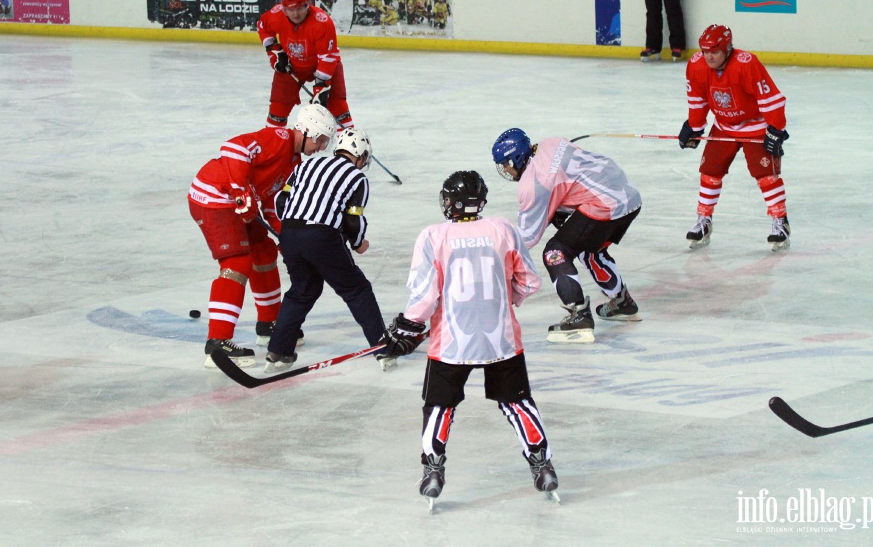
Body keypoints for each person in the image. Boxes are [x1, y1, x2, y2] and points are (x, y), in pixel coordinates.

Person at [377, 170, 558, 509]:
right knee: (518, 402)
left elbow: (424, 297)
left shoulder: (433, 236)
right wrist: (506, 301)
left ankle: (433, 470)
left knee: (439, 406)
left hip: (451, 343)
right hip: (501, 339)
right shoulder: (503, 229)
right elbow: (530, 282)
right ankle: (542, 465)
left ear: (450, 202)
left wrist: (407, 328)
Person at [189, 104, 337, 368]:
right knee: (236, 263)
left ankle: (269, 324)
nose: (321, 147)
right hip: (215, 197)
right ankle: (217, 343)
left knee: (265, 252)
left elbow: (270, 202)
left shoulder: (293, 162)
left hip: (239, 204)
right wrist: (239, 190)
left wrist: (286, 234)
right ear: (305, 131)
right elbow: (233, 148)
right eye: (321, 140)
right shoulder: (278, 138)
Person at [491, 129, 643, 344]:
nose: (505, 169)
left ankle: (578, 315)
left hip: (606, 205)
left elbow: (527, 237)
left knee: (556, 252)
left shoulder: (532, 184)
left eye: (506, 163)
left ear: (516, 158)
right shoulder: (552, 142)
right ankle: (622, 303)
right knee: (589, 248)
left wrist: (496, 245)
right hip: (629, 197)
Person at [265, 128, 386, 371]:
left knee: (302, 290)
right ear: (360, 155)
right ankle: (383, 347)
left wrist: (291, 229)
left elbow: (281, 201)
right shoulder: (356, 177)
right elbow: (353, 219)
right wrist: (357, 243)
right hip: (321, 236)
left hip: (289, 233)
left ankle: (279, 351)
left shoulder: (305, 166)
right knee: (356, 289)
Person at [678, 24, 791, 251]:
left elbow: (769, 96)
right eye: (705, 51)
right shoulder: (696, 65)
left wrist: (776, 128)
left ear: (727, 49)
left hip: (756, 126)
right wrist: (695, 126)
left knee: (766, 176)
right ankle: (704, 221)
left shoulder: (746, 64)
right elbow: (698, 98)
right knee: (710, 172)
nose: (708, 56)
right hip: (724, 126)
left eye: (715, 52)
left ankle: (781, 222)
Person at [256, 0, 354, 132]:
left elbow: (328, 57)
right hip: (292, 66)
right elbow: (262, 26)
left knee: (338, 107)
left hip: (322, 66)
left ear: (308, 5)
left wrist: (321, 88)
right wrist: (275, 51)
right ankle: (273, 143)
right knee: (278, 109)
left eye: (300, 8)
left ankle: (350, 148)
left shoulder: (322, 22)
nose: (296, 14)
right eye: (291, 10)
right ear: (283, 9)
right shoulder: (276, 16)